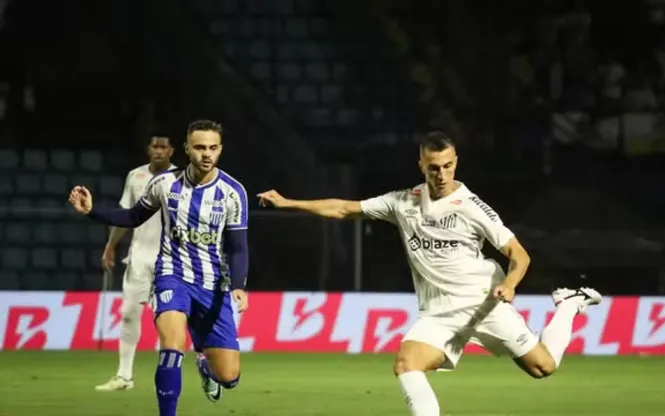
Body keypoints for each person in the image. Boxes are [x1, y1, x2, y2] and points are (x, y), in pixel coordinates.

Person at [258, 131, 602, 416]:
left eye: (448, 166)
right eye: (434, 167)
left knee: (543, 368)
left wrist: (510, 284)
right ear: (421, 164)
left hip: (485, 304)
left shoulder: (472, 206)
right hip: (439, 313)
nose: (441, 174)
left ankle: (569, 304)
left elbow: (519, 254)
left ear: (456, 164)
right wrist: (289, 203)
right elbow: (345, 209)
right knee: (407, 363)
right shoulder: (402, 202)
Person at [68, 120, 249, 416]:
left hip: (213, 286)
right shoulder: (165, 184)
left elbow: (238, 246)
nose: (206, 154)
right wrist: (92, 211)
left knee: (229, 377)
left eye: (213, 148)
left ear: (220, 150)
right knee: (172, 347)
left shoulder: (232, 192)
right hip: (171, 277)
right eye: (200, 147)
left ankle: (205, 365)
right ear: (187, 148)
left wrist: (239, 284)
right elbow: (133, 216)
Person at [95, 135, 176, 392]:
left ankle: (165, 377)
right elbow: (125, 215)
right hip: (139, 257)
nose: (159, 151)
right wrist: (111, 245)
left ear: (172, 150)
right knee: (129, 314)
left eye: (164, 147)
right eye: (155, 146)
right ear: (148, 149)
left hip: (169, 261)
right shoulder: (135, 176)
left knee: (167, 320)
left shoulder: (182, 179)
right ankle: (123, 376)